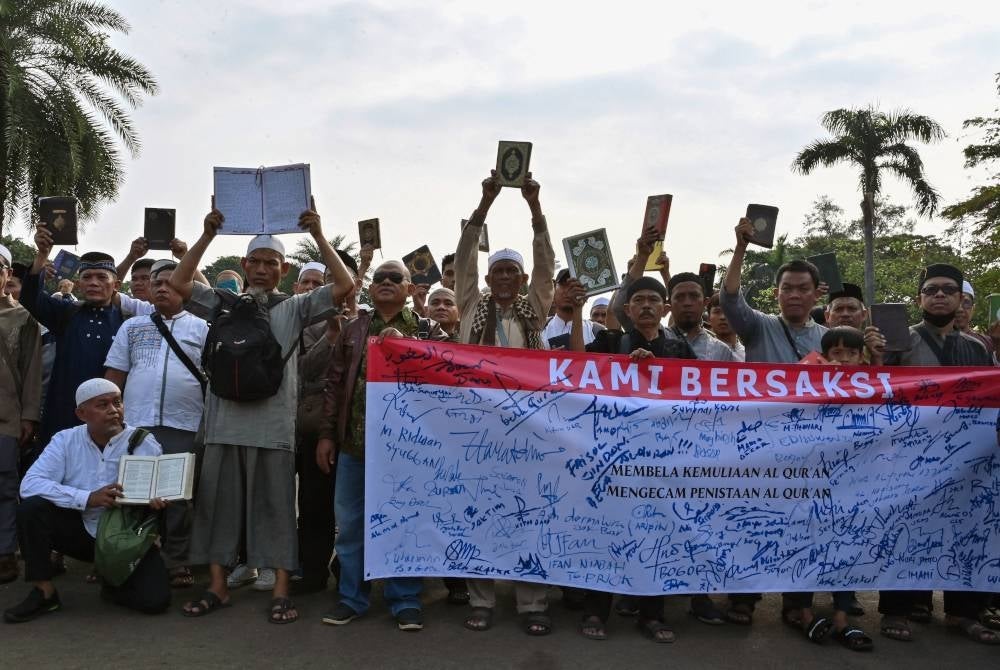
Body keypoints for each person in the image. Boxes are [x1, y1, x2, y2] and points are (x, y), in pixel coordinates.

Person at [171, 198, 355, 624]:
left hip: (274, 427)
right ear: (243, 262)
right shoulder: (221, 302)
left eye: (271, 262)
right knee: (218, 506)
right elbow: (181, 284)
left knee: (276, 508)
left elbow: (344, 287)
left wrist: (317, 234)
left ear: (284, 270)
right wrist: (207, 234)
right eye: (255, 261)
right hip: (222, 424)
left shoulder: (295, 306)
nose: (261, 269)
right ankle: (217, 587)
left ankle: (280, 590)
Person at [316, 260, 449, 631]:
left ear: (409, 289)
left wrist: (407, 346)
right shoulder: (353, 329)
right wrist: (328, 435)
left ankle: (405, 599)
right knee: (352, 526)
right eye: (380, 278)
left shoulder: (428, 329)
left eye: (396, 278)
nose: (386, 282)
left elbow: (449, 365)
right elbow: (334, 385)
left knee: (404, 524)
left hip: (406, 451)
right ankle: (351, 599)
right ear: (369, 289)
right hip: (355, 446)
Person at [454, 169, 556, 635]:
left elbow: (546, 265)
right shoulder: (471, 305)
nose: (504, 277)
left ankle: (532, 603)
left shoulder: (536, 311)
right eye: (498, 270)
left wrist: (535, 209)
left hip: (532, 426)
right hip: (478, 426)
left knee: (530, 511)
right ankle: (481, 598)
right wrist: (485, 202)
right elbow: (464, 261)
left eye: (512, 271)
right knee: (481, 510)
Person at [874, 263, 997, 645]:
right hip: (910, 458)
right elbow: (878, 392)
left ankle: (964, 612)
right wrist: (877, 359)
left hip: (966, 459)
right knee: (906, 532)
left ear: (962, 299)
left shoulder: (978, 347)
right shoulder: (900, 343)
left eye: (948, 290)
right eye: (931, 290)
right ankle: (897, 610)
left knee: (967, 530)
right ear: (919, 299)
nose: (939, 295)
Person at [569, 276, 695, 643]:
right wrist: (579, 314)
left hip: (659, 463)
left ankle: (651, 614)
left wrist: (659, 372)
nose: (645, 306)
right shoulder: (611, 342)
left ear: (665, 307)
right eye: (638, 300)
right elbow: (579, 363)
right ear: (627, 309)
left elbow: (696, 395)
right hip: (611, 459)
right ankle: (596, 610)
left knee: (656, 536)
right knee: (605, 535)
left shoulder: (680, 350)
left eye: (653, 300)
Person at [721, 217, 827, 626]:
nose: (794, 295)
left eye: (803, 288)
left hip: (812, 450)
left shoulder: (832, 337)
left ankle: (795, 603)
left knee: (804, 525)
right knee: (751, 520)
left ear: (817, 293)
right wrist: (741, 248)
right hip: (760, 447)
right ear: (777, 293)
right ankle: (743, 599)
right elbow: (730, 300)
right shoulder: (759, 327)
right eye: (787, 288)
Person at [3, 379, 170, 622]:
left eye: (117, 402)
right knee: (32, 509)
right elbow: (30, 484)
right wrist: (87, 498)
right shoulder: (65, 441)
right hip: (79, 532)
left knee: (155, 602)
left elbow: (159, 491)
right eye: (102, 405)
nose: (113, 410)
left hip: (126, 539)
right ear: (81, 413)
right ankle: (44, 591)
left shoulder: (143, 442)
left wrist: (157, 502)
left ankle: (113, 583)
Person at [104, 259, 208, 590]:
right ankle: (125, 555)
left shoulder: (202, 327)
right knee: (132, 493)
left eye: (170, 282)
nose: (162, 287)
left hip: (185, 424)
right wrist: (111, 420)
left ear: (186, 287)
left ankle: (177, 560)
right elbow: (114, 376)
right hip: (137, 425)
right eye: (155, 282)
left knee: (177, 497)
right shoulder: (131, 327)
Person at [780, 326, 874, 651]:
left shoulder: (875, 385)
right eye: (837, 353)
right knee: (807, 546)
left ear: (861, 358)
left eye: (851, 353)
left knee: (845, 549)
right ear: (824, 355)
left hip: (852, 483)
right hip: (811, 483)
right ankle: (804, 613)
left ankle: (841, 617)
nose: (843, 359)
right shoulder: (805, 377)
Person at [22, 227, 156, 446]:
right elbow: (30, 298)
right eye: (87, 277)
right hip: (63, 414)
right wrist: (42, 254)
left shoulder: (129, 323)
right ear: (79, 284)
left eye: (101, 277)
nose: (94, 282)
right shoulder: (65, 313)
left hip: (111, 419)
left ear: (116, 286)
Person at [292, 254, 357, 596]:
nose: (328, 289)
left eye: (335, 281)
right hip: (317, 427)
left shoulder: (368, 320)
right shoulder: (299, 323)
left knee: (353, 508)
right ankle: (312, 569)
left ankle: (348, 569)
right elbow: (304, 372)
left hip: (359, 428)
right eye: (318, 282)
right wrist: (331, 335)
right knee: (316, 504)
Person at [0, 244, 43, 584]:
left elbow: (31, 371)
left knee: (4, 486)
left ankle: (5, 554)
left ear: (7, 274)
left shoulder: (23, 317)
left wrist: (29, 416)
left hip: (6, 417)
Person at [668, 272, 735, 363]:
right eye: (679, 297)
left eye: (694, 296)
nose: (687, 303)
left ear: (705, 302)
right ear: (669, 304)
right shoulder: (654, 343)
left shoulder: (722, 351)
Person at [544, 269, 605, 349]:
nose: (570, 291)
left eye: (576, 286)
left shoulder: (597, 331)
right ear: (554, 289)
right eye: (564, 285)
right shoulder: (538, 328)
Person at [954, 280, 996, 360]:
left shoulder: (988, 343)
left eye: (966, 303)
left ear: (973, 308)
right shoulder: (933, 341)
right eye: (955, 303)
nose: (959, 309)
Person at [707, 293, 745, 361]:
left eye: (729, 311)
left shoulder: (750, 356)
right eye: (717, 312)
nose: (723, 317)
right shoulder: (701, 353)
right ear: (708, 319)